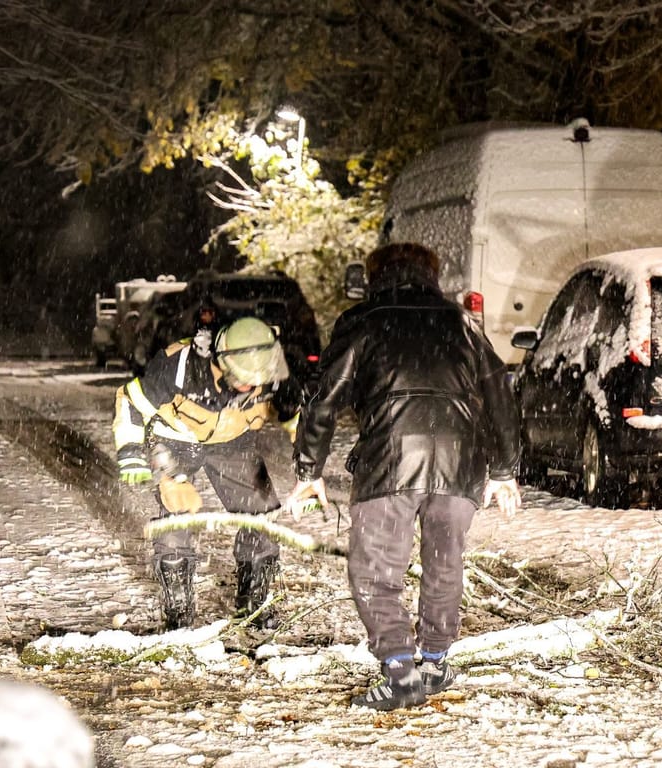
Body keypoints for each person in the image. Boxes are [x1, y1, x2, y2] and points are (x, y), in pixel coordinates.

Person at [288, 242, 521, 711]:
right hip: (460, 461)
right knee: (444, 562)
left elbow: (325, 398)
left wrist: (308, 468)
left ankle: (399, 671)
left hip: (390, 460)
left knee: (376, 569)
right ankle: (434, 662)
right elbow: (500, 391)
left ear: (375, 277)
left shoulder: (363, 321)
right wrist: (504, 468)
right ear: (431, 276)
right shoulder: (461, 323)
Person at [114, 316, 301, 630]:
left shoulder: (275, 370)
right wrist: (132, 454)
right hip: (175, 438)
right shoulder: (179, 366)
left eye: (256, 381)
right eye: (242, 380)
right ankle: (179, 614)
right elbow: (131, 400)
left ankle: (253, 607)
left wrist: (309, 468)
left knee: (260, 516)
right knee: (178, 513)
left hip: (234, 440)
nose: (250, 387)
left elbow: (299, 417)